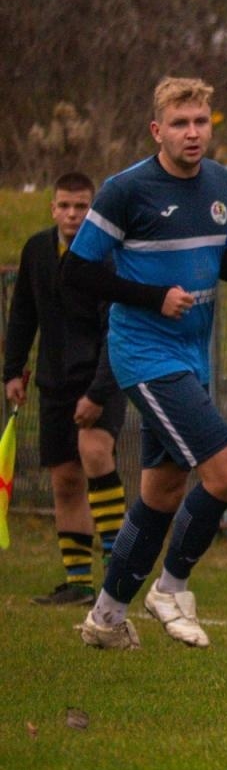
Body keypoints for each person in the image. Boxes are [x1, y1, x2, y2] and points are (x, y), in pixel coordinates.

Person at [61, 76, 227, 649]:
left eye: (200, 121)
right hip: (145, 354)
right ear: (157, 130)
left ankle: (105, 619)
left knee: (162, 493)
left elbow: (218, 254)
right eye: (180, 123)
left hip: (190, 354)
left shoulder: (220, 180)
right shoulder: (125, 190)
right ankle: (170, 588)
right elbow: (75, 272)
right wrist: (153, 298)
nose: (192, 133)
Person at [3, 172, 128, 605]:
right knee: (65, 480)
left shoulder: (106, 254)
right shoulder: (36, 250)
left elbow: (116, 328)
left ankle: (118, 571)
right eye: (65, 206)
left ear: (93, 210)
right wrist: (12, 371)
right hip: (53, 381)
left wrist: (97, 392)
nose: (73, 214)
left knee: (94, 452)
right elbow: (23, 312)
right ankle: (78, 583)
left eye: (81, 206)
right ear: (53, 208)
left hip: (101, 375)